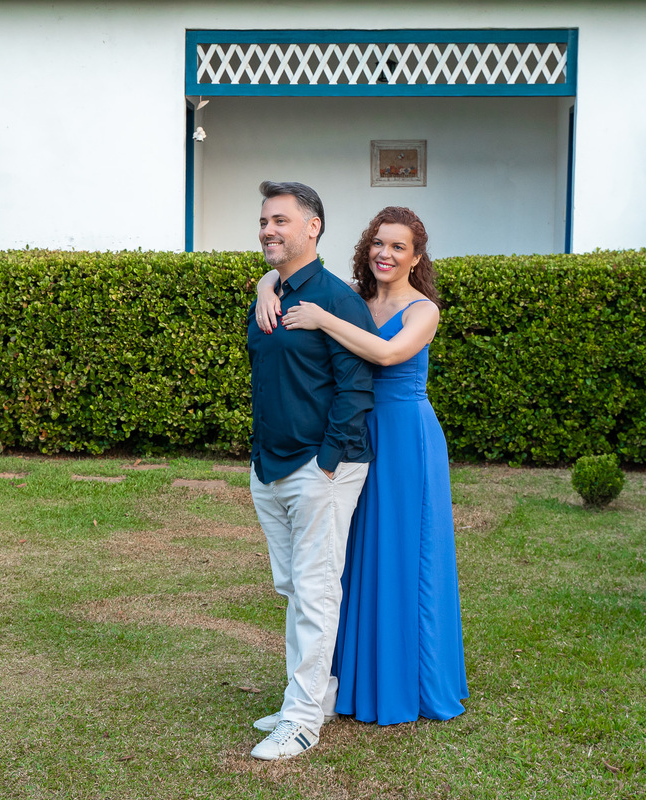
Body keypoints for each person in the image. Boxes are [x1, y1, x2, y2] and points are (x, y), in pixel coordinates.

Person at [254, 206, 469, 725]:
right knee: (348, 557)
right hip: (356, 433)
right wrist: (266, 285)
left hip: (403, 436)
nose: (385, 254)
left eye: (398, 247)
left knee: (400, 554)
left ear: (417, 258)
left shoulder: (423, 310)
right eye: (378, 243)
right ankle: (345, 683)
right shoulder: (357, 299)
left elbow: (390, 355)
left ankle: (404, 682)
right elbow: (283, 271)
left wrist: (322, 318)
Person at [245, 181, 378, 760]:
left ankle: (301, 721)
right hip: (269, 465)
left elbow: (355, 390)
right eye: (264, 221)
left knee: (317, 590)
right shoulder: (271, 291)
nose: (268, 230)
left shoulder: (337, 301)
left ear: (312, 227)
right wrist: (264, 285)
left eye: (280, 220)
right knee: (294, 586)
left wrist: (327, 463)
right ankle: (314, 694)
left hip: (320, 470)